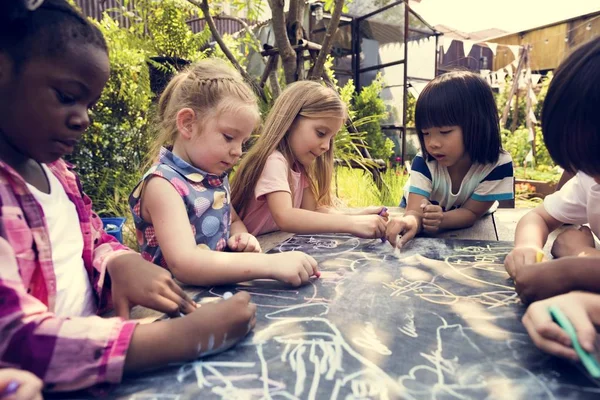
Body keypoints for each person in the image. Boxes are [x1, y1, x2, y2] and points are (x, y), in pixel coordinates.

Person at [0, 0, 255, 391]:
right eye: (68, 96)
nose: (84, 118)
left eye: (89, 105)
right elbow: (13, 338)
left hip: (101, 362)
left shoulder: (59, 175)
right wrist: (181, 338)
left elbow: (93, 240)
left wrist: (118, 261)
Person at [130, 60, 319, 287]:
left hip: (211, 292)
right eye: (229, 137)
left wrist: (241, 236)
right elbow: (185, 263)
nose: (238, 152)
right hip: (172, 302)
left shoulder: (212, 179)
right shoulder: (163, 185)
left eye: (243, 142)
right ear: (188, 124)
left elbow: (232, 220)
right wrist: (270, 265)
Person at [505, 37, 600, 304]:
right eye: (583, 165)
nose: (594, 178)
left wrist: (577, 262)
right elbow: (539, 217)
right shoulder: (590, 180)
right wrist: (527, 247)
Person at [230, 80, 388, 238]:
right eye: (321, 133)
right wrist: (352, 224)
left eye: (331, 138)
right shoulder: (274, 161)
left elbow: (312, 212)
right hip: (247, 254)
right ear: (291, 121)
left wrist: (358, 215)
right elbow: (285, 216)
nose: (326, 146)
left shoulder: (298, 168)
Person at [385, 71, 514, 247]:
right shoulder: (425, 161)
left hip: (462, 218)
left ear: (478, 125)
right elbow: (414, 211)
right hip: (417, 208)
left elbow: (470, 213)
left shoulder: (497, 165)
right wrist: (409, 222)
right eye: (425, 133)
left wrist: (442, 220)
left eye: (445, 132)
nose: (432, 143)